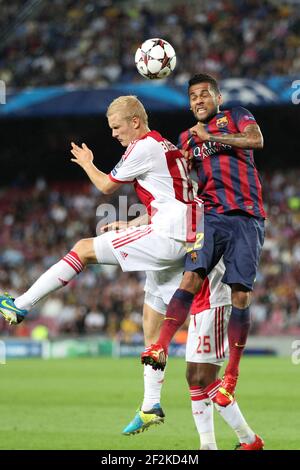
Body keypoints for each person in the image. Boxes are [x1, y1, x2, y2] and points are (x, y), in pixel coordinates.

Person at [0, 96, 195, 348]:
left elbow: (106, 186)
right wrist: (134, 223)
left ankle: (20, 306)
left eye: (116, 127)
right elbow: (176, 201)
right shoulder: (166, 146)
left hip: (167, 235)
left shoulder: (143, 146)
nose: (113, 134)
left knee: (83, 249)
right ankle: (157, 388)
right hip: (185, 233)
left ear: (135, 121)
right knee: (153, 323)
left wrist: (87, 164)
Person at [141, 73, 266, 408]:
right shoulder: (186, 137)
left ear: (218, 97)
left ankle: (232, 377)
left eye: (204, 94)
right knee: (191, 276)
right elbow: (178, 183)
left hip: (246, 216)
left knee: (240, 295)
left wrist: (210, 136)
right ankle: (160, 347)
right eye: (192, 96)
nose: (198, 100)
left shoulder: (236, 116)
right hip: (210, 216)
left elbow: (256, 141)